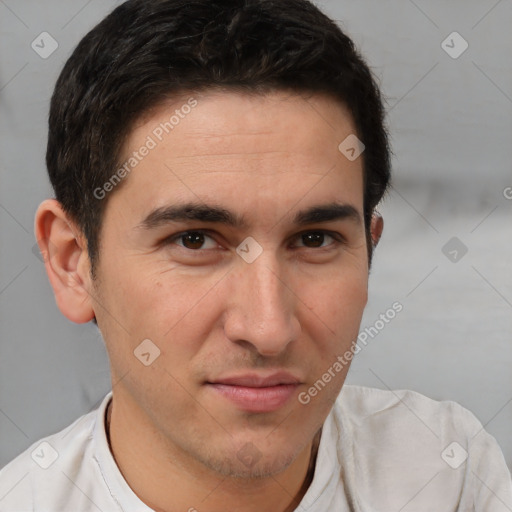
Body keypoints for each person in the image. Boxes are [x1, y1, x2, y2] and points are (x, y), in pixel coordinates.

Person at [1, 0, 511, 510]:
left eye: (315, 240)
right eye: (194, 240)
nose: (268, 329)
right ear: (73, 264)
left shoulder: (447, 474)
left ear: (369, 248)